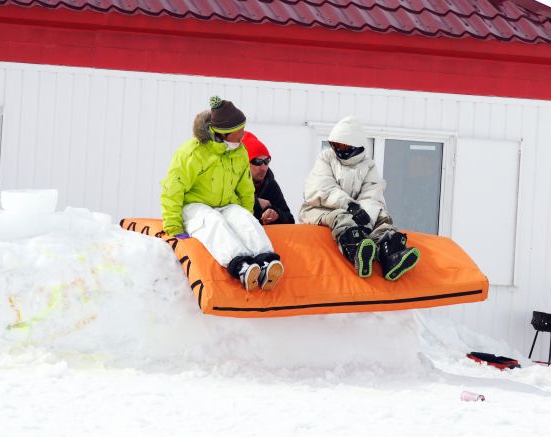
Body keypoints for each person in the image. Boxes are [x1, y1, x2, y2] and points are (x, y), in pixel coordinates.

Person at [160, 96, 283, 292]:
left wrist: (245, 218)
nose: (244, 133)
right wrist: (174, 225)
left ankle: (266, 260)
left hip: (225, 204)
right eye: (239, 130)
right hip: (194, 206)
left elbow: (245, 188)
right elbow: (173, 188)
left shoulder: (239, 151)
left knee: (242, 217)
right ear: (224, 132)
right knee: (212, 220)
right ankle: (240, 264)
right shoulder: (193, 152)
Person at [299, 116, 420, 280]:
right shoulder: (326, 158)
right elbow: (323, 186)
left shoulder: (368, 166)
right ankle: (356, 250)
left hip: (356, 212)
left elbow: (372, 194)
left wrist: (365, 216)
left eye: (342, 145)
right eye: (335, 145)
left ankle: (390, 254)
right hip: (320, 209)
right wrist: (350, 205)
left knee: (382, 217)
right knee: (341, 217)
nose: (338, 149)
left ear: (354, 145)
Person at [242, 131, 295, 225]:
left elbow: (290, 220)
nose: (263, 168)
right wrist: (257, 203)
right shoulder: (234, 181)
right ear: (245, 163)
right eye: (257, 161)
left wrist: (276, 214)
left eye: (267, 161)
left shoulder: (269, 183)